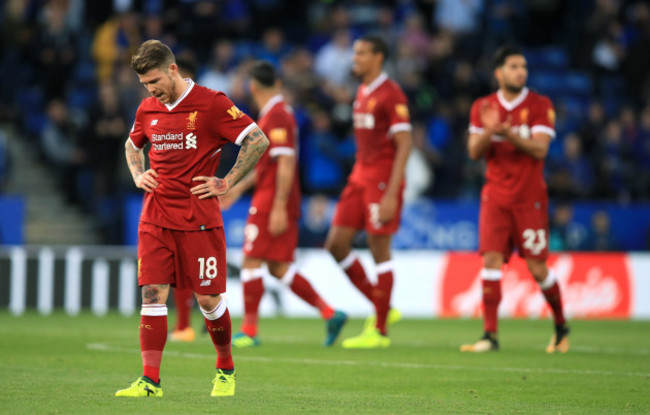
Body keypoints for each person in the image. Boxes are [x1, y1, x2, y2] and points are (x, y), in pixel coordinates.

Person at [115, 40, 269, 398]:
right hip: (155, 217)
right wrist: (139, 174)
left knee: (208, 300)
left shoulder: (212, 103)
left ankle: (225, 369)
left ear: (172, 69)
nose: (151, 90)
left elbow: (257, 140)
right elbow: (131, 146)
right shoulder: (147, 108)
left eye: (154, 81)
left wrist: (227, 181)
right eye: (144, 85)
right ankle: (150, 380)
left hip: (198, 217)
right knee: (152, 294)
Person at [219, 61, 348, 348]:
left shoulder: (277, 115)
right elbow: (266, 165)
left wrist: (278, 207)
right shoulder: (272, 115)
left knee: (251, 260)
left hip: (272, 201)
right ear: (276, 83)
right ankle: (330, 313)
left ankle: (250, 330)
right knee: (278, 267)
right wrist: (237, 189)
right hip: (272, 196)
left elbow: (287, 163)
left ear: (252, 86)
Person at [462, 45, 569, 353]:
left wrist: (506, 133)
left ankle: (561, 326)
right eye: (513, 66)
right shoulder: (483, 106)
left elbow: (540, 149)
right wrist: (490, 131)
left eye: (523, 66)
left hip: (529, 199)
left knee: (537, 268)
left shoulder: (539, 104)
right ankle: (490, 336)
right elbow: (473, 151)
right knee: (491, 262)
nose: (520, 71)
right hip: (495, 197)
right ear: (499, 73)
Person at [325, 35, 412, 349]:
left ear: (378, 56)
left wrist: (391, 194)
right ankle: (383, 306)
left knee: (379, 247)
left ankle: (379, 330)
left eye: (361, 53)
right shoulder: (361, 91)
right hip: (359, 177)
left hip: (381, 181)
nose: (355, 58)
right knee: (335, 244)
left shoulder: (392, 94)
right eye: (354, 52)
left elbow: (405, 144)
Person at [168, 55, 199, 343]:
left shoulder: (203, 109)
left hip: (192, 201)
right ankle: (184, 324)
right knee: (181, 267)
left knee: (190, 267)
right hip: (172, 199)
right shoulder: (164, 110)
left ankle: (186, 325)